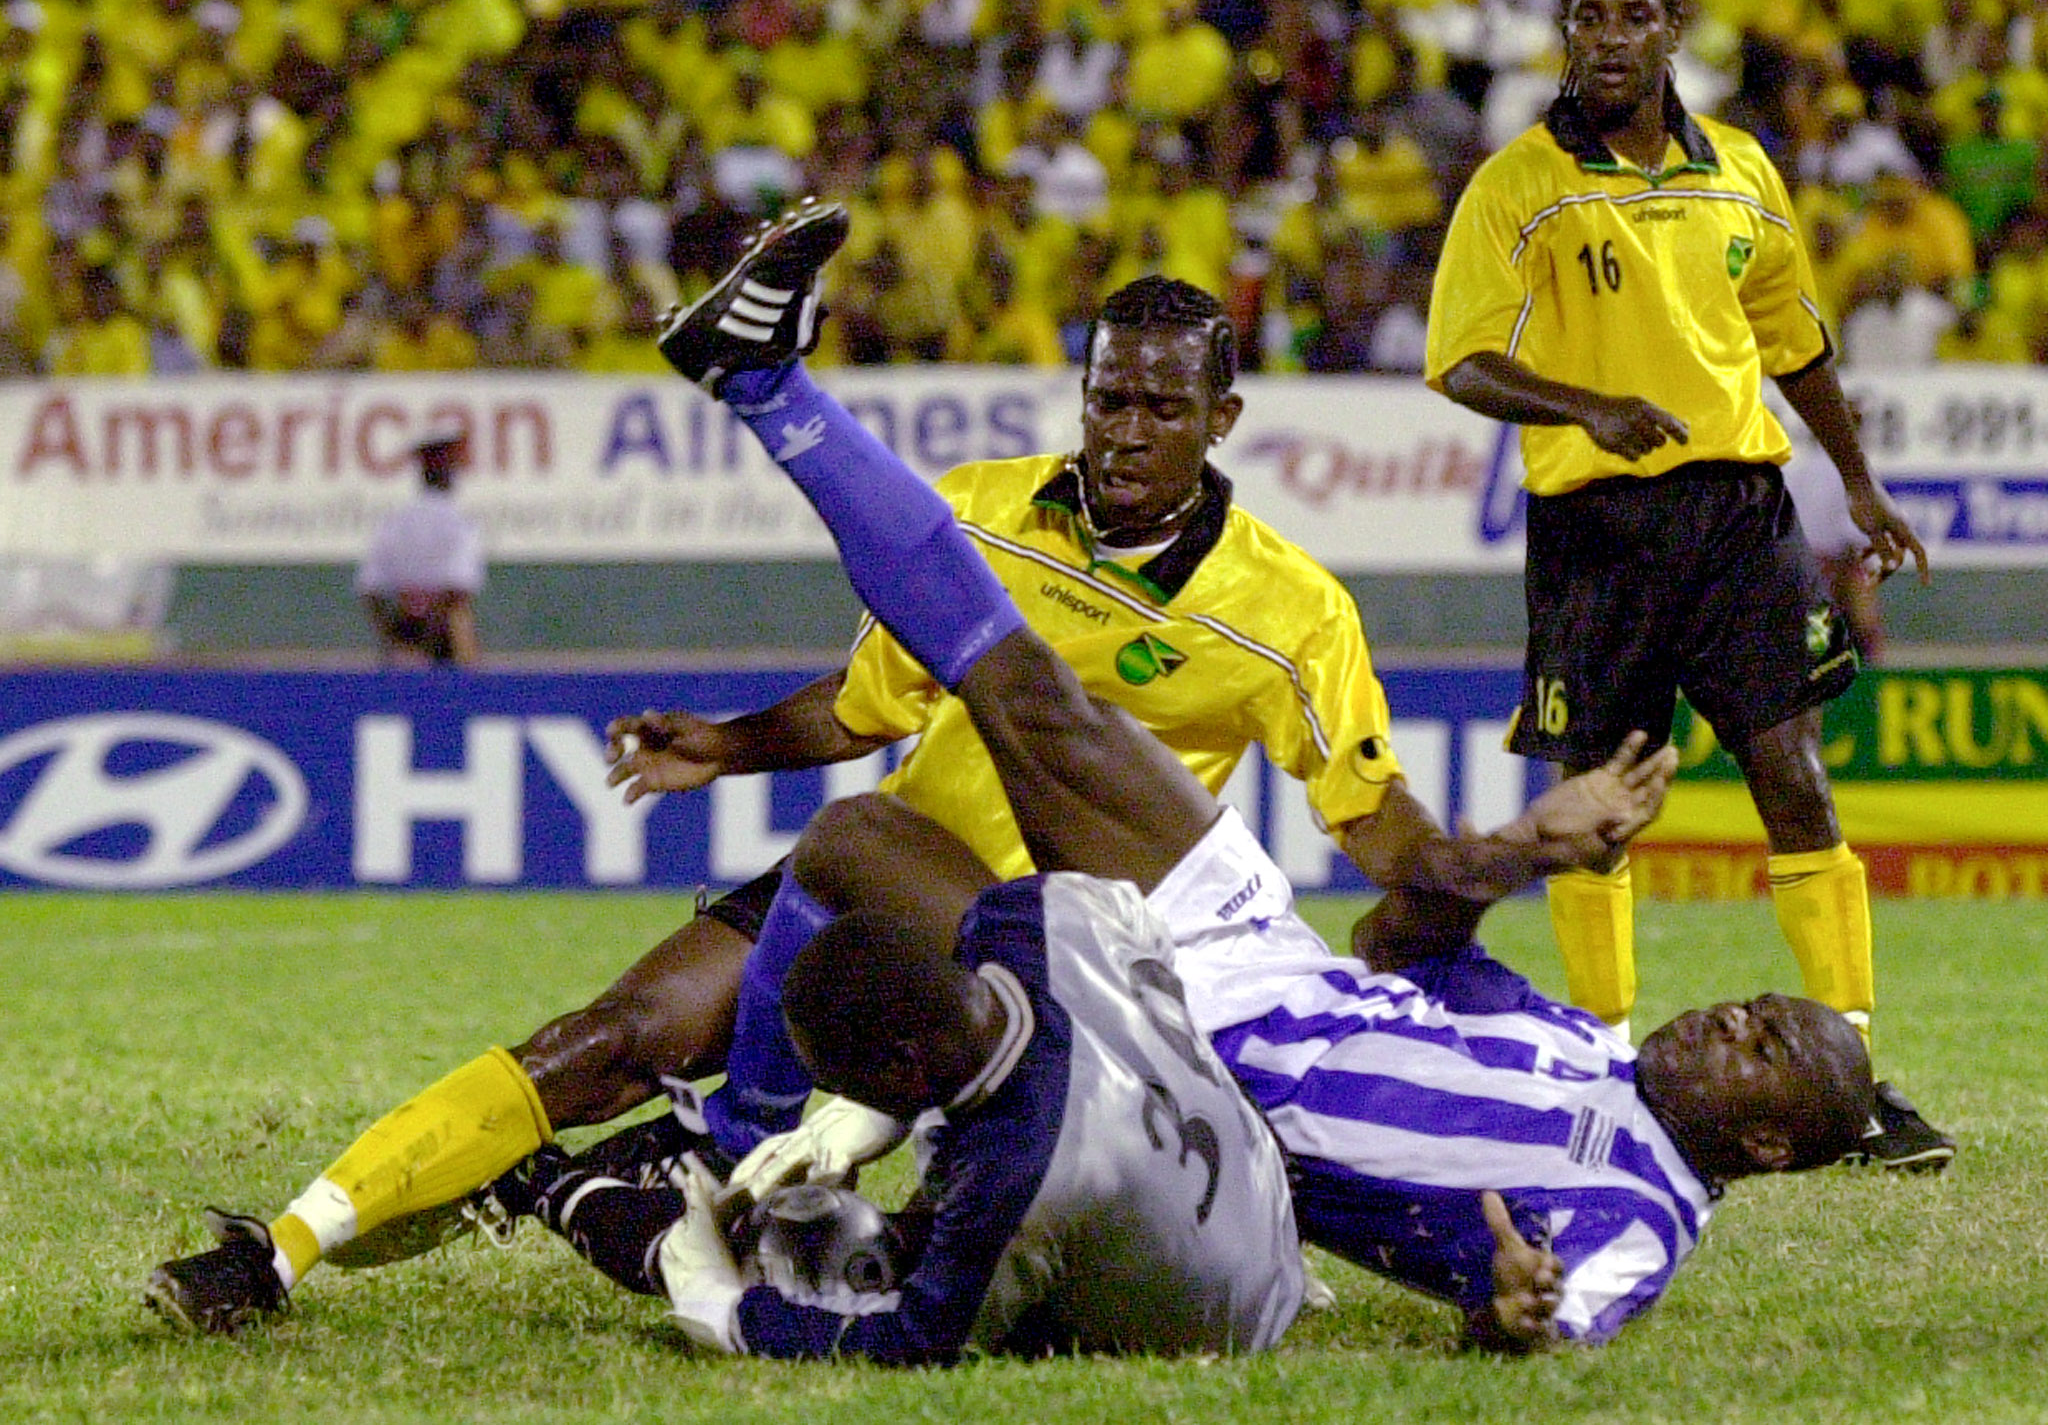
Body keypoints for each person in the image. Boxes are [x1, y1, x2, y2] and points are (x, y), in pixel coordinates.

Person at [141, 216, 1655, 1336]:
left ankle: (676, 1175)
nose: (1126, 430)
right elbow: (871, 701)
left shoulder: (1292, 606)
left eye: (1160, 405)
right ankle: (280, 1245)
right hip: (873, 866)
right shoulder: (980, 513)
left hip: (1031, 945)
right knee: (610, 1029)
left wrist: (1491, 847)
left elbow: (1370, 817)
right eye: (1107, 396)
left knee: (841, 1159)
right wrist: (731, 742)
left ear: (1222, 420)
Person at [600, 201, 1871, 1350]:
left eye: (1755, 1043)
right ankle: (763, 375)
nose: (1722, 1017)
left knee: (857, 846)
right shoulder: (1569, 1046)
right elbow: (1399, 934)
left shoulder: (1637, 1212)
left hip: (1180, 1071)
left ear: (1760, 1140)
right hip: (1250, 939)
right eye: (1754, 1002)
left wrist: (1516, 1314)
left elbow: (1542, 1320)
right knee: (1034, 697)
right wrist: (1525, 852)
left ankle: (740, 1152)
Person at [1420, 0, 1950, 1170]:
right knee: (1598, 821)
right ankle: (1605, 1071)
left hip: (1738, 516)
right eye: (1583, 14)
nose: (1603, 34)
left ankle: (1848, 1076)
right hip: (1597, 531)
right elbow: (1458, 358)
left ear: (1673, 32)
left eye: (1629, 14)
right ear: (1563, 33)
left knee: (1793, 780)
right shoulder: (1517, 181)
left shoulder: (1742, 171)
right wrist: (1583, 408)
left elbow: (1793, 343)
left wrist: (1859, 485)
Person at [492, 881, 1307, 1363]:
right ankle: (558, 1186)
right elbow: (1139, 920)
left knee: (814, 1267)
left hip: (1238, 1310)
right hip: (1264, 1192)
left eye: (841, 1082)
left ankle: (553, 1188)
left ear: (905, 1067)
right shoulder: (1026, 912)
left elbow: (915, 1338)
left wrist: (731, 1311)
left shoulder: (1020, 1174)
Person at [356, 417, 484, 666]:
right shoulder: (460, 523)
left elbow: (370, 592)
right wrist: (425, 645)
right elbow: (457, 594)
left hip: (404, 636)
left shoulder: (393, 521)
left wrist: (400, 643)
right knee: (461, 621)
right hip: (446, 645)